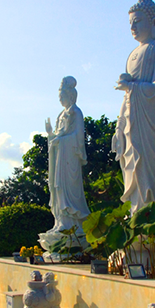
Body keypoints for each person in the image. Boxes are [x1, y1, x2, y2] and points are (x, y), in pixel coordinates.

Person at [112, 0, 155, 213]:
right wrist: (119, 127)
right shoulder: (132, 55)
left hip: (153, 126)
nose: (132, 27)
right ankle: (137, 216)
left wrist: (132, 87)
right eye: (130, 23)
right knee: (133, 170)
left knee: (154, 175)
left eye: (137, 21)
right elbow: (126, 98)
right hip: (133, 124)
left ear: (154, 21)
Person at [38, 76, 90, 253]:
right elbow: (57, 137)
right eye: (59, 96)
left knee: (68, 187)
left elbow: (77, 136)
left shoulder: (76, 112)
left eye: (62, 95)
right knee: (57, 187)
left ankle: (72, 223)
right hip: (60, 157)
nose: (60, 99)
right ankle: (60, 221)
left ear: (70, 95)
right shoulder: (62, 114)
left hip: (69, 158)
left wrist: (60, 141)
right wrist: (51, 134)